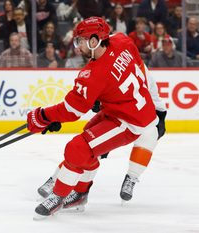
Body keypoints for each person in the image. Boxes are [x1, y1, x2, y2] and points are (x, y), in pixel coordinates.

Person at [26, 17, 159, 219]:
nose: (78, 45)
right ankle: (80, 193)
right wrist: (109, 93)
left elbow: (72, 110)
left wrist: (42, 116)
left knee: (77, 148)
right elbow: (138, 67)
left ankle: (58, 196)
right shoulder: (122, 40)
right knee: (86, 145)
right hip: (127, 109)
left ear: (95, 41)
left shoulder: (93, 74)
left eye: (81, 40)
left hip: (129, 122)